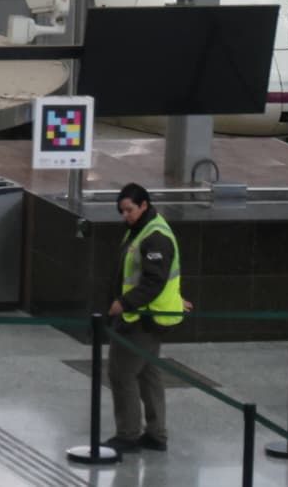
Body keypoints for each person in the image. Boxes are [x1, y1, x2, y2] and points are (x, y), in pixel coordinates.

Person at [104, 182, 188, 454]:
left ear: (144, 206)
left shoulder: (154, 236)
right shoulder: (142, 229)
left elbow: (154, 280)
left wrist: (123, 303)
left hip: (141, 316)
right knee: (148, 374)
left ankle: (128, 434)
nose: (125, 216)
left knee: (122, 372)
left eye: (129, 210)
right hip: (153, 314)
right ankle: (155, 434)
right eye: (122, 211)